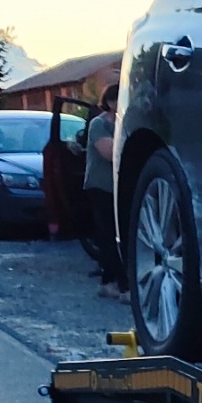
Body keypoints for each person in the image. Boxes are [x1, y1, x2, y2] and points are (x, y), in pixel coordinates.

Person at [84, 85, 123, 296]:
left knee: (119, 236)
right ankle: (108, 283)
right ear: (108, 101)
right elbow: (109, 152)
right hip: (100, 186)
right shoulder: (98, 124)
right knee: (107, 235)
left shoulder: (123, 123)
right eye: (116, 99)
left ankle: (117, 281)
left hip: (118, 188)